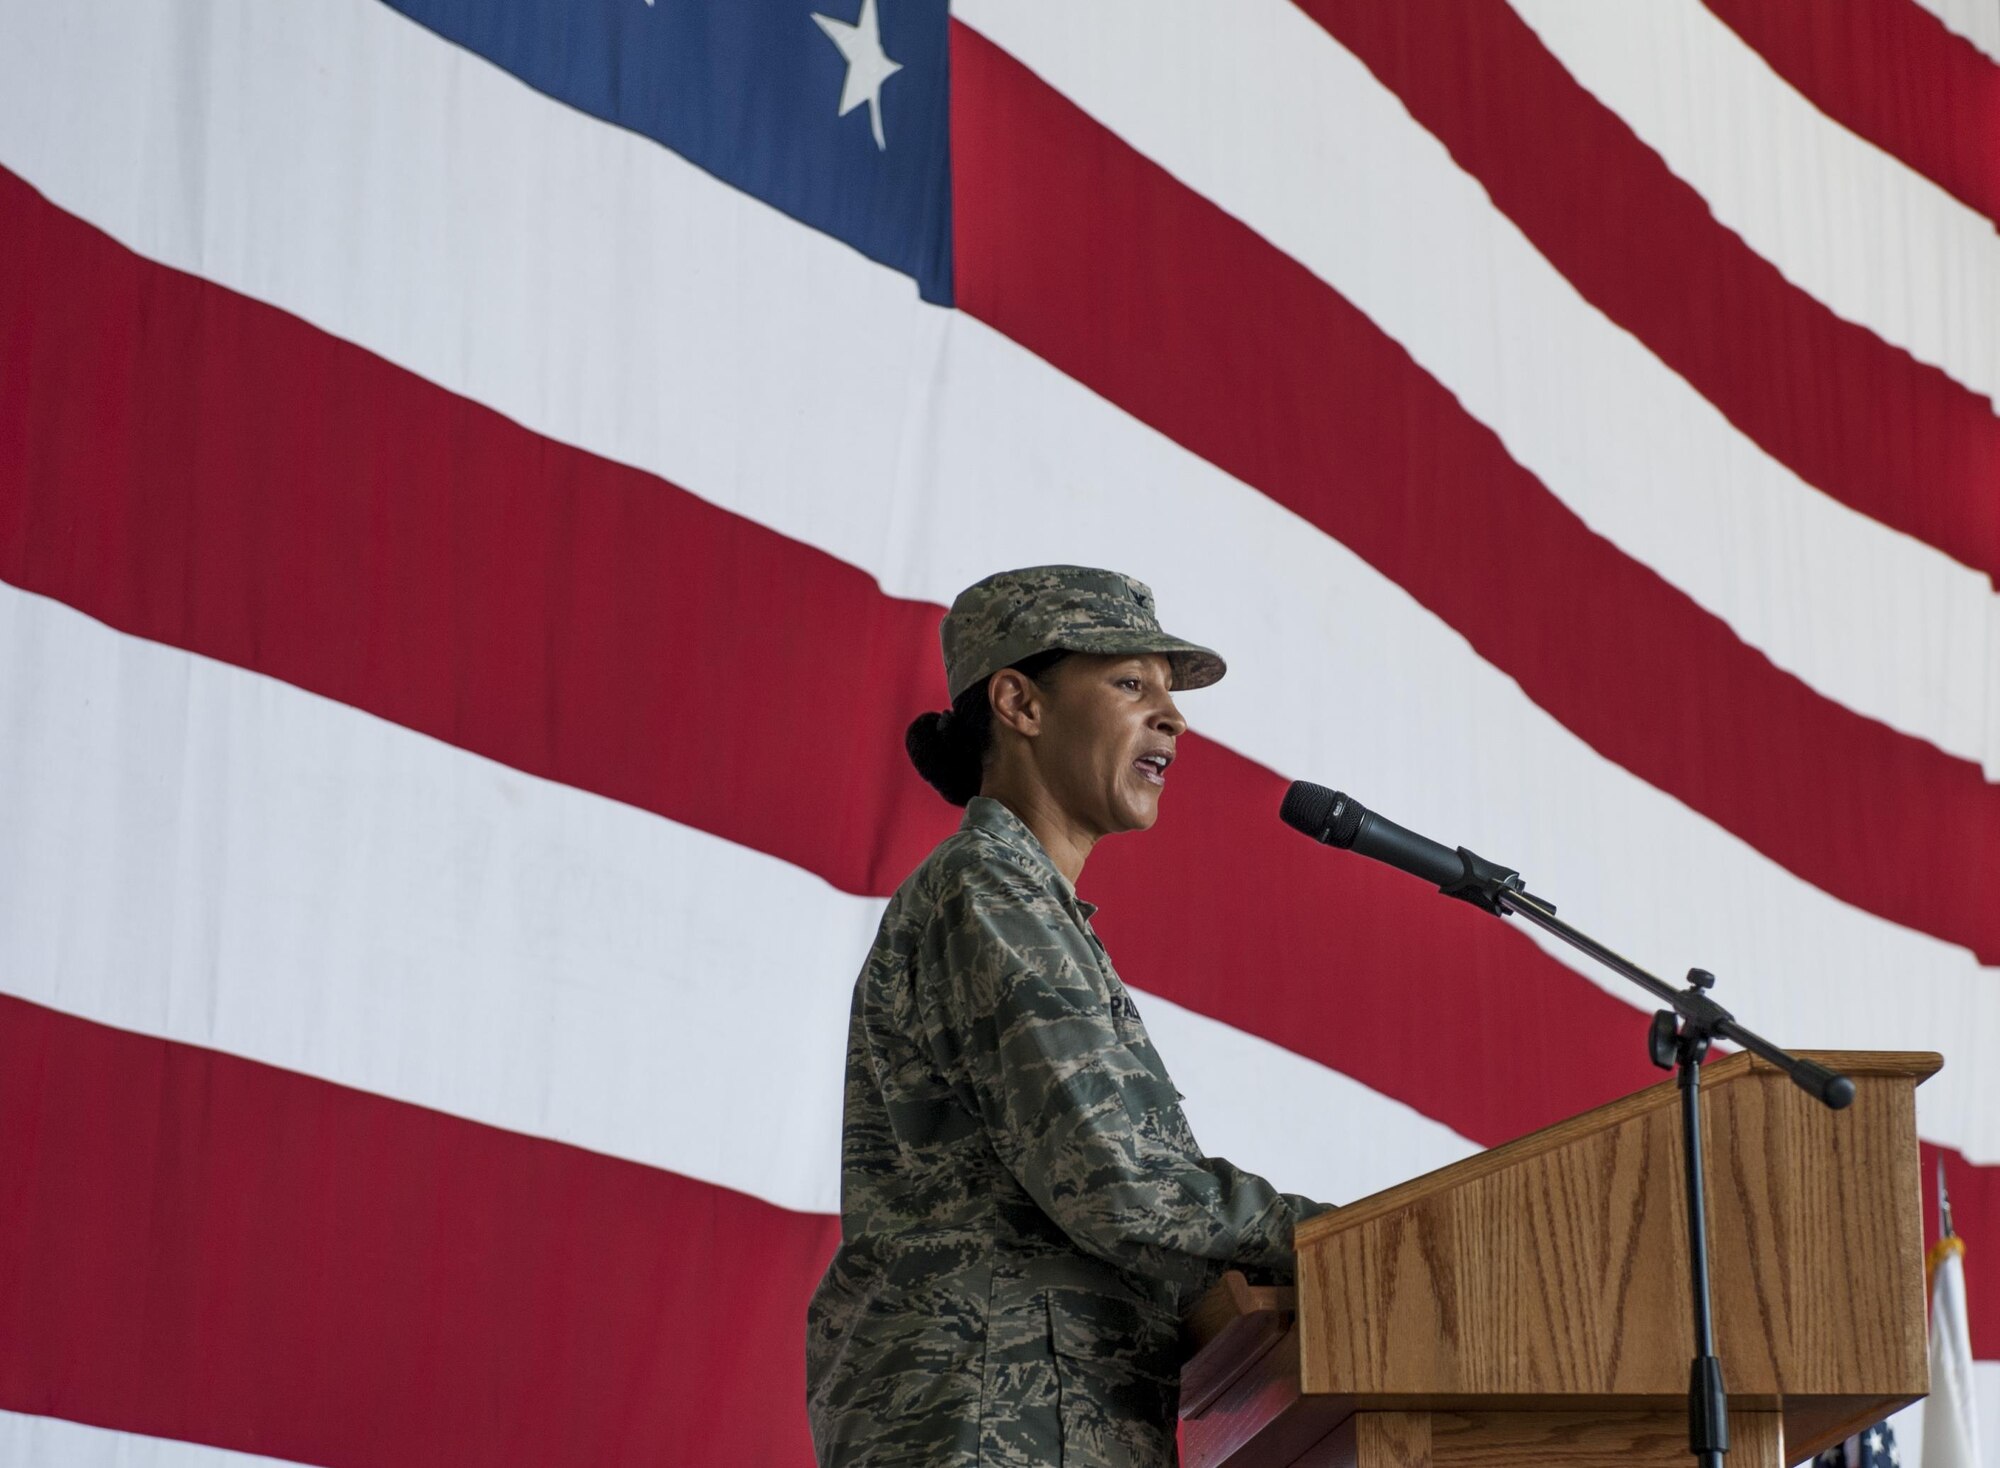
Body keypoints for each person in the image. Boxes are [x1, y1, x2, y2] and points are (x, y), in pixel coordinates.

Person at [805, 566, 1332, 1468]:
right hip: (994, 1417)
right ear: (1019, 702)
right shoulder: (990, 889)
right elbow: (1121, 1185)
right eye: (1132, 682)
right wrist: (1347, 1240)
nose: (1171, 717)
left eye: (1170, 692)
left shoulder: (1025, 903)